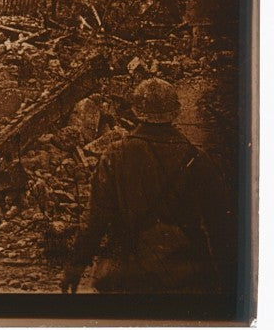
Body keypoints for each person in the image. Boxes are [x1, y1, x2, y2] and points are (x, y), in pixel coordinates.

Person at [62, 78, 234, 294]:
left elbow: (96, 217)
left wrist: (76, 265)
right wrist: (227, 280)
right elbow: (220, 225)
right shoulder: (197, 158)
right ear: (176, 111)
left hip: (127, 271)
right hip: (185, 274)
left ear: (135, 111)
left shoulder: (115, 155)